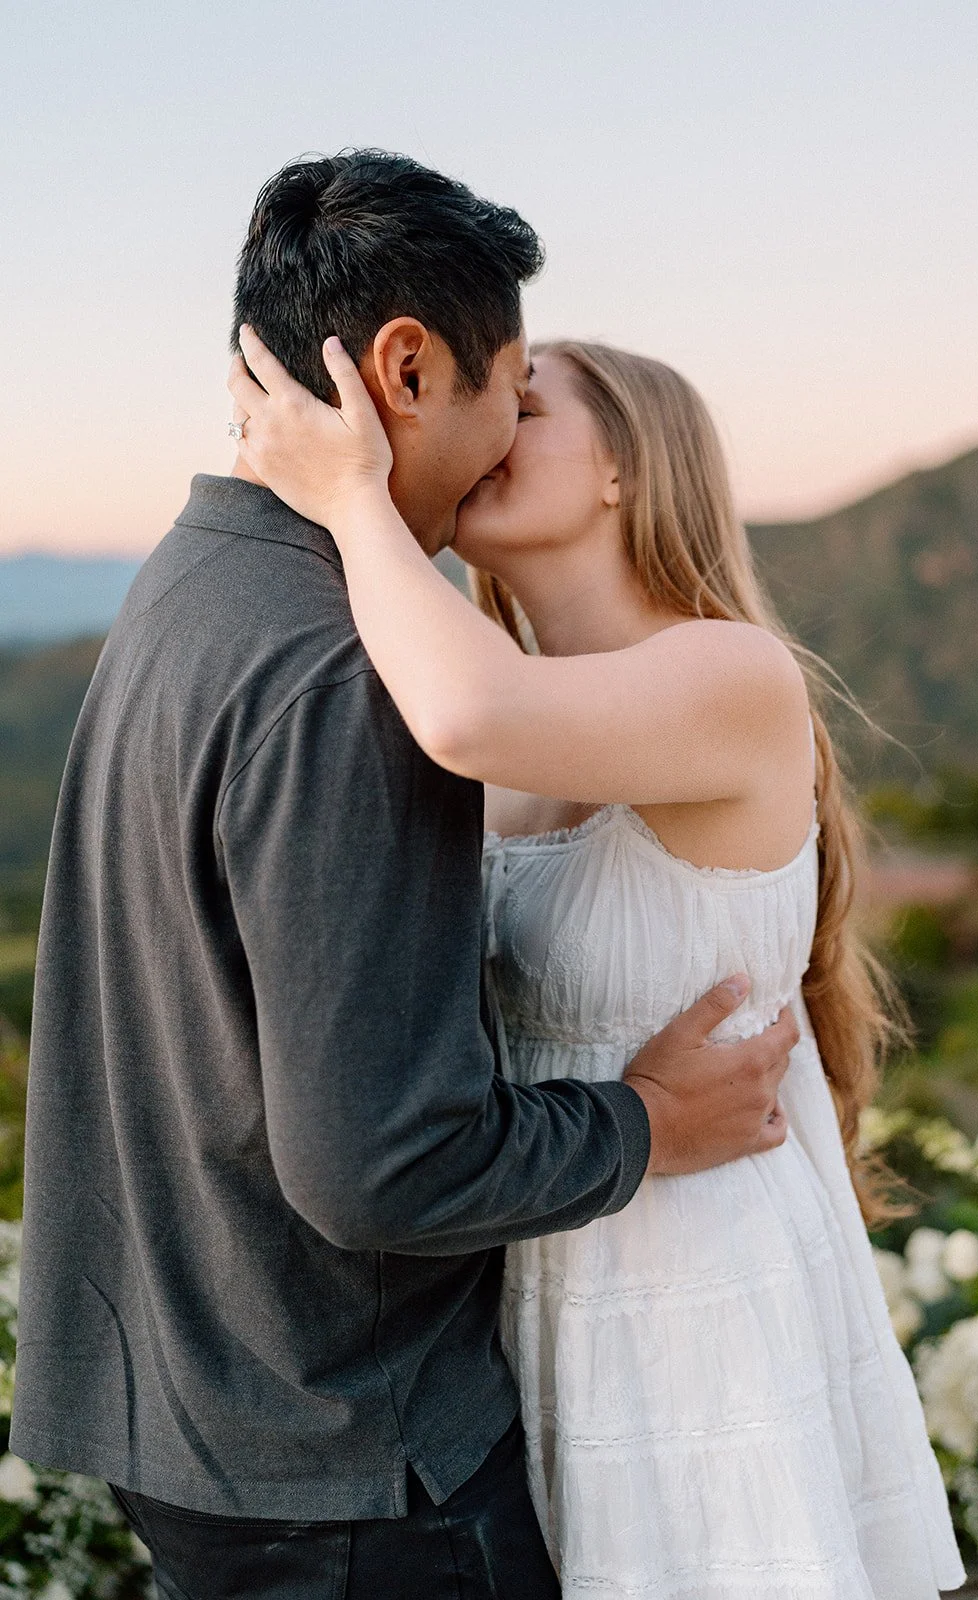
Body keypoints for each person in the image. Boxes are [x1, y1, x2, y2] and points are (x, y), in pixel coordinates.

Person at [10, 151, 800, 1600]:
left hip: (202, 1418)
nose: (505, 430)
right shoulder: (344, 676)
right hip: (351, 1466)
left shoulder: (190, 589)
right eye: (509, 383)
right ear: (408, 366)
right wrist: (641, 1121)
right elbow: (379, 1164)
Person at [227, 323, 969, 1598]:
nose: (489, 428)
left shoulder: (729, 671)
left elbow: (462, 713)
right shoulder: (520, 725)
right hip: (545, 1267)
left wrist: (351, 493)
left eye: (530, 405)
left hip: (699, 1278)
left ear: (627, 465)